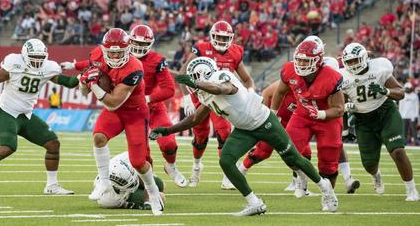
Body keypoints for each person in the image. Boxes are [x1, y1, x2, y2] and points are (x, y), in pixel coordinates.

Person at [151, 57, 338, 215]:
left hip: (264, 121)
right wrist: (166, 131)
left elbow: (223, 89)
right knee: (226, 160)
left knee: (293, 158)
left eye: (194, 78)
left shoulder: (220, 76)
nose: (192, 83)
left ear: (202, 75)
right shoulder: (203, 94)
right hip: (244, 129)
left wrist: (197, 83)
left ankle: (325, 187)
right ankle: (254, 202)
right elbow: (194, 119)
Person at [0, 38, 78, 195]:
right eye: (34, 57)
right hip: (5, 111)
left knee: (53, 144)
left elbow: (69, 82)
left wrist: (84, 77)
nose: (37, 61)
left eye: (40, 57)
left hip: (26, 115)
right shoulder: (14, 63)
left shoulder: (49, 67)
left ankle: (52, 186)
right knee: (8, 147)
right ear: (24, 55)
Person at [78, 28, 164, 216]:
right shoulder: (97, 56)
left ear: (128, 49)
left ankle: (153, 193)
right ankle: (104, 182)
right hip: (116, 113)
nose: (115, 56)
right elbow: (83, 92)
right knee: (99, 137)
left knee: (139, 162)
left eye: (119, 52)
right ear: (104, 50)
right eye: (112, 52)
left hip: (135, 113)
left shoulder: (134, 67)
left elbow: (113, 103)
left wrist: (92, 84)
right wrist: (84, 82)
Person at [180, 20, 255, 189]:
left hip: (219, 97)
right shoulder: (201, 48)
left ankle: (227, 176)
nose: (221, 41)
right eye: (218, 37)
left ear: (231, 38)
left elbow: (248, 79)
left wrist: (250, 92)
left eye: (224, 38)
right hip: (199, 95)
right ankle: (197, 166)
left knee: (224, 132)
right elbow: (183, 72)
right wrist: (185, 97)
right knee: (201, 136)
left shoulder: (235, 52)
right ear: (212, 36)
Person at [341, 43, 419, 201]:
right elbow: (340, 106)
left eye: (355, 60)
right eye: (348, 62)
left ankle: (411, 190)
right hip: (363, 120)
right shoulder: (343, 77)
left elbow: (401, 93)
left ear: (363, 58)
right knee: (369, 164)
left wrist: (386, 91)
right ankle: (376, 176)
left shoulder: (379, 68)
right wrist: (345, 129)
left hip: (386, 113)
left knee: (397, 151)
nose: (352, 65)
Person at [271, 40, 345, 194]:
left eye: (306, 60)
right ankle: (300, 176)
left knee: (328, 163)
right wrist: (273, 112)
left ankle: (328, 195)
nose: (301, 64)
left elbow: (339, 109)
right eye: (299, 59)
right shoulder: (289, 69)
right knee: (287, 150)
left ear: (318, 60)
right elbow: (279, 92)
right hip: (302, 114)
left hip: (327, 118)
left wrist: (321, 114)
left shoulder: (331, 77)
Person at [129, 24, 187, 187]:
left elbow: (168, 89)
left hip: (153, 108)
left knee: (168, 143)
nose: (139, 47)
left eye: (143, 44)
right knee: (142, 154)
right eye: (137, 43)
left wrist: (148, 98)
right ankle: (149, 186)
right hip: (132, 112)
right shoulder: (122, 57)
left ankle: (171, 166)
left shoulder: (156, 60)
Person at [95, 152, 165, 210]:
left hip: (129, 175)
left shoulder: (128, 162)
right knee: (159, 196)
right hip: (122, 190)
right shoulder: (109, 199)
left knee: (159, 184)